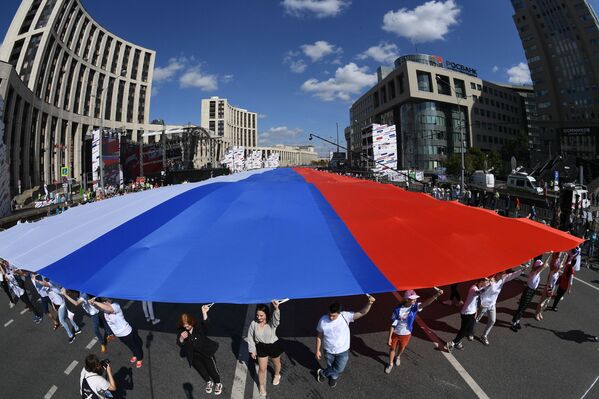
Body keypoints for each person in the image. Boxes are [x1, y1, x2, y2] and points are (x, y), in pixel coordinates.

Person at [315, 295, 376, 388]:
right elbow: (319, 335)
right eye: (329, 314)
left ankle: (322, 373)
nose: (331, 317)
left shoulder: (345, 316)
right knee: (330, 366)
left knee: (339, 369)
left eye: (334, 316)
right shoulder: (323, 320)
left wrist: (369, 303)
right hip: (328, 351)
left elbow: (361, 313)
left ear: (339, 313)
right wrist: (317, 350)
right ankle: (333, 377)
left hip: (342, 351)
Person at [386, 289, 443, 373]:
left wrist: (436, 295)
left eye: (415, 298)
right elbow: (393, 324)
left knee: (402, 348)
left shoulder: (414, 307)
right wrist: (389, 337)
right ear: (407, 299)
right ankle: (390, 364)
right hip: (396, 333)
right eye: (413, 299)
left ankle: (398, 356)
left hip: (406, 334)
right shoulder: (397, 310)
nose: (415, 300)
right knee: (392, 349)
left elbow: (425, 304)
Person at [177, 305, 222, 395]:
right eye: (185, 326)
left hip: (206, 353)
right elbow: (179, 343)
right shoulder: (182, 331)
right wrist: (181, 338)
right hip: (194, 356)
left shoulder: (197, 327)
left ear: (191, 322)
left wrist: (204, 313)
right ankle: (209, 382)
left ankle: (218, 383)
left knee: (212, 370)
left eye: (188, 324)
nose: (187, 327)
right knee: (202, 370)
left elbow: (207, 326)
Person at [90, 298, 144, 368]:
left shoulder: (115, 306)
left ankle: (140, 358)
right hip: (119, 334)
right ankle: (135, 354)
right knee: (129, 345)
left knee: (135, 346)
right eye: (103, 302)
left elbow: (109, 309)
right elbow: (99, 308)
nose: (103, 303)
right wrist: (93, 304)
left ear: (109, 301)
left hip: (126, 332)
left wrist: (96, 302)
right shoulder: (105, 310)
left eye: (104, 301)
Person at [247, 300, 283, 396]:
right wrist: (252, 350)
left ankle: (276, 375)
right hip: (261, 347)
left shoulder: (271, 323)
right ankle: (261, 385)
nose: (259, 317)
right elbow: (250, 337)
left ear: (266, 315)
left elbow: (276, 320)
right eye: (257, 315)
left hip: (273, 345)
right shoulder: (253, 324)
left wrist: (276, 309)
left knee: (276, 363)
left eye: (261, 315)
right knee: (262, 368)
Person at [445, 278, 490, 351]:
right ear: (481, 282)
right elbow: (478, 293)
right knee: (464, 330)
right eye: (486, 281)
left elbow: (477, 301)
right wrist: (489, 286)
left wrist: (475, 312)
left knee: (469, 330)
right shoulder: (473, 288)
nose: (487, 282)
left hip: (472, 313)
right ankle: (452, 343)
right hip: (467, 313)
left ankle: (457, 342)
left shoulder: (480, 286)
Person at [36, 278, 81, 343]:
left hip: (61, 304)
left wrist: (36, 280)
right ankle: (77, 328)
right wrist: (53, 305)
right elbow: (51, 297)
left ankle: (71, 335)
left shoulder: (51, 284)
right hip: (58, 304)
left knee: (62, 320)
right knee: (68, 316)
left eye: (45, 279)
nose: (44, 280)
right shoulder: (46, 288)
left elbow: (47, 285)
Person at [511, 257, 549, 331]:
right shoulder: (534, 273)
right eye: (540, 266)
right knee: (521, 307)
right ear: (537, 267)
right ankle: (513, 323)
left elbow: (544, 266)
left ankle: (517, 321)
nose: (541, 267)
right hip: (528, 291)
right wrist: (550, 254)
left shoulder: (537, 272)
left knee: (524, 307)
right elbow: (544, 265)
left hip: (532, 291)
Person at [536, 253, 563, 320]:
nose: (560, 268)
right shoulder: (553, 273)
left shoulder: (557, 273)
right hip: (548, 288)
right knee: (542, 302)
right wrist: (549, 291)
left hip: (552, 288)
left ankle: (540, 312)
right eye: (559, 268)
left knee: (546, 302)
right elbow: (549, 283)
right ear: (556, 268)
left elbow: (561, 264)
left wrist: (564, 258)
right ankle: (537, 313)